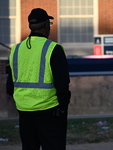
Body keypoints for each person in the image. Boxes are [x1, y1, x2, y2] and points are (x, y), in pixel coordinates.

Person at [6, 8, 71, 150]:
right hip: (50, 110)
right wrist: (63, 106)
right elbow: (62, 83)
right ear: (47, 25)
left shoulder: (16, 49)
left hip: (24, 111)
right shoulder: (54, 49)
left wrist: (24, 101)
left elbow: (10, 86)